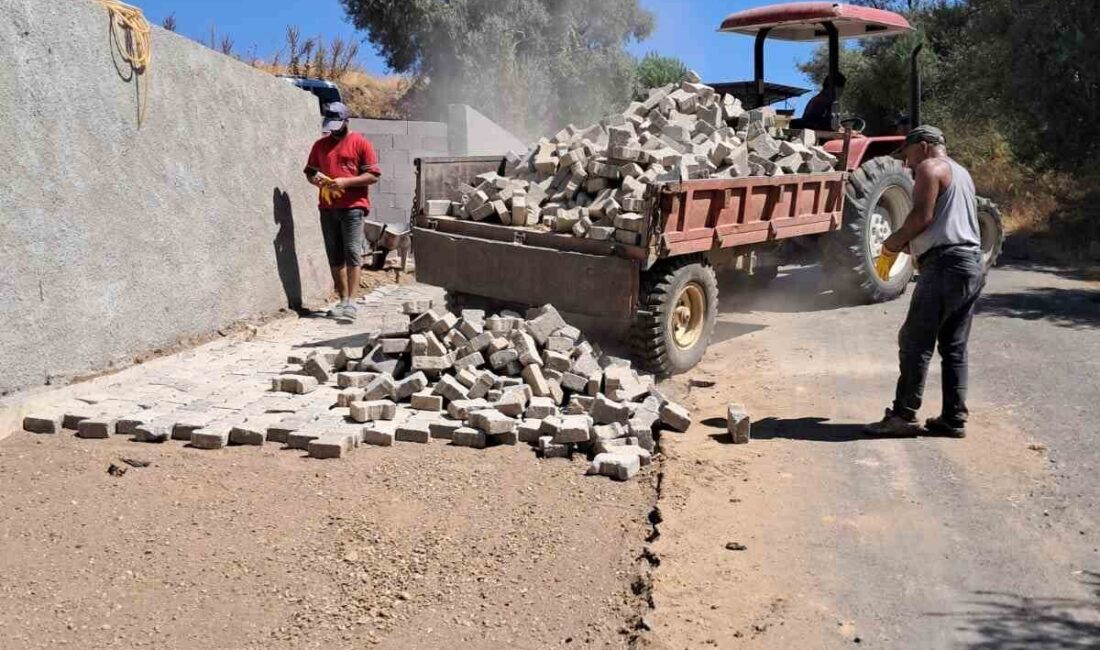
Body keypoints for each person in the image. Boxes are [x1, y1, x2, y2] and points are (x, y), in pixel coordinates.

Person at [866, 125, 985, 438]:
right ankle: (953, 418)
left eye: (907, 154)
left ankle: (903, 416)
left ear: (922, 145)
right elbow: (947, 222)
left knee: (915, 342)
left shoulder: (930, 168)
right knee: (954, 346)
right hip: (969, 263)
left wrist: (891, 243)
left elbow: (922, 217)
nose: (907, 163)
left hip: (945, 265)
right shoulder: (961, 173)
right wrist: (913, 244)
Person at [303, 102, 382, 320]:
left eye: (338, 125)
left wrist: (345, 182)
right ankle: (342, 299)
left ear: (347, 121)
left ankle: (351, 303)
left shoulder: (360, 143)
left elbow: (373, 175)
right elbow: (309, 172)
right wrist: (319, 182)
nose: (334, 130)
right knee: (335, 254)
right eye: (331, 126)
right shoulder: (320, 145)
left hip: (353, 208)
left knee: (352, 251)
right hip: (328, 208)